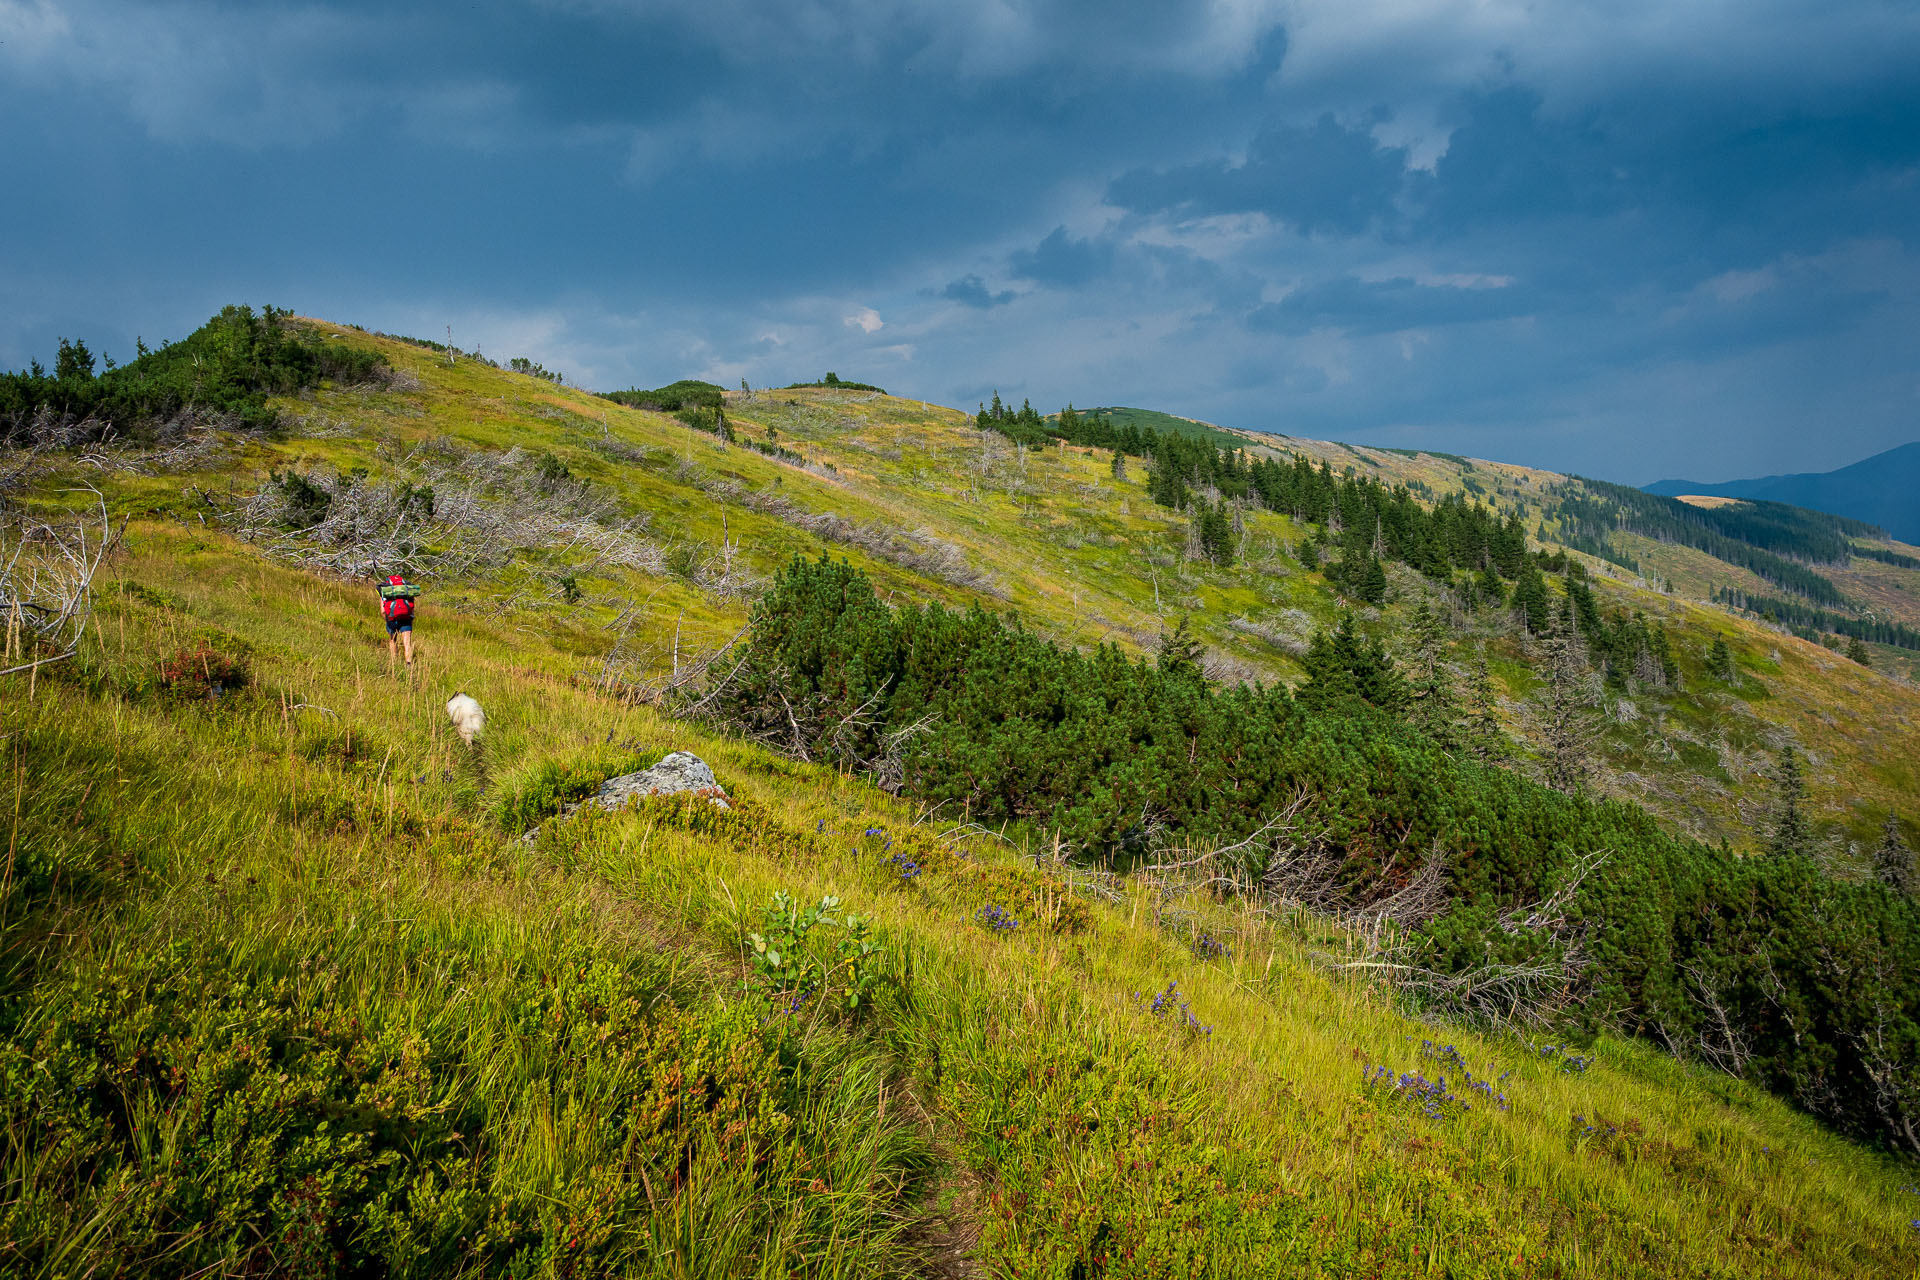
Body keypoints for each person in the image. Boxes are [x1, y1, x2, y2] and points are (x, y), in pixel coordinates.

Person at [378, 572, 419, 668]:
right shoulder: (406, 590)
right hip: (406, 618)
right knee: (407, 643)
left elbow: (383, 611)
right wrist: (410, 619)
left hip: (391, 619)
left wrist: (388, 620)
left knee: (393, 640)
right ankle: (409, 664)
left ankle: (394, 663)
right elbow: (412, 608)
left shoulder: (386, 591)